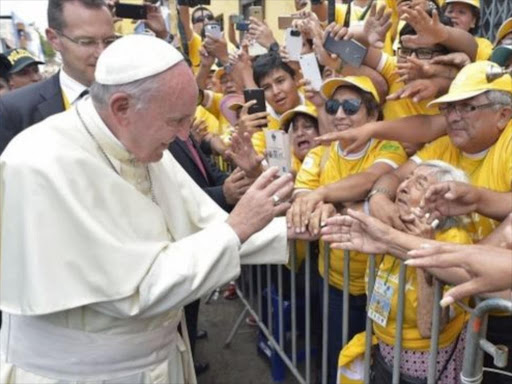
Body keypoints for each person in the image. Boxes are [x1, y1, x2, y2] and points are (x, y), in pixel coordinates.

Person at [0, 34, 297, 384]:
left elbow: (205, 225)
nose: (186, 133)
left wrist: (293, 228)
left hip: (160, 361)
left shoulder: (142, 144)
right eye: (176, 120)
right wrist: (238, 228)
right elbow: (135, 289)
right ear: (122, 107)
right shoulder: (39, 163)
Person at [0, 0, 116, 154]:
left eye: (109, 41)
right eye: (87, 42)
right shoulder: (14, 109)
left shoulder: (137, 94)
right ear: (54, 39)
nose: (101, 52)